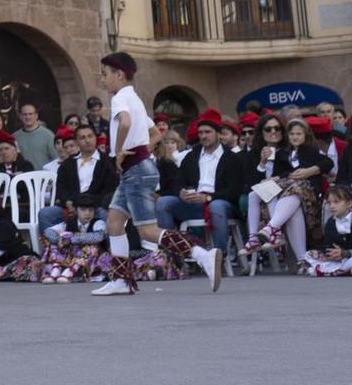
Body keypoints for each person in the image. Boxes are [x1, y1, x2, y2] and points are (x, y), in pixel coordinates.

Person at [89, 53, 220, 296]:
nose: (102, 79)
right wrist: (139, 152)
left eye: (105, 74)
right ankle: (120, 279)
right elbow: (155, 133)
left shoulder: (120, 99)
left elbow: (125, 123)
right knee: (114, 222)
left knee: (147, 230)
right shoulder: (135, 99)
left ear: (119, 74)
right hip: (139, 169)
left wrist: (118, 151)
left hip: (136, 172)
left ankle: (202, 254)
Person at [242, 118, 332, 270]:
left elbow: (328, 163)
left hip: (307, 194)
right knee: (257, 194)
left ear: (305, 135)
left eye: (299, 134)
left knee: (293, 192)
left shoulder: (310, 150)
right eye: (292, 134)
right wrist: (271, 173)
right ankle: (257, 237)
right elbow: (282, 173)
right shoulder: (284, 153)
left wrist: (310, 170)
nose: (295, 137)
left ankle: (272, 228)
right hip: (288, 196)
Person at [156, 112, 242, 265]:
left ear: (218, 134)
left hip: (221, 203)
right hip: (194, 202)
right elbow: (177, 182)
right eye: (201, 132)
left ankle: (218, 258)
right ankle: (173, 256)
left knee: (216, 206)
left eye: (208, 132)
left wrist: (208, 197)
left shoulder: (232, 158)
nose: (203, 136)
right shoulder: (192, 156)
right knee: (163, 203)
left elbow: (234, 190)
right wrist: (181, 192)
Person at [39, 123, 115, 249]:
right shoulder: (68, 163)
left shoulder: (106, 162)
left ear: (95, 138)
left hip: (95, 206)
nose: (87, 140)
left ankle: (104, 253)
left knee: (104, 214)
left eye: (90, 136)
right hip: (71, 206)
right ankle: (55, 251)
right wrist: (68, 202)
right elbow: (61, 187)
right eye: (82, 137)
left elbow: (110, 188)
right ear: (77, 141)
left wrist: (88, 205)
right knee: (45, 213)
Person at [305, 187, 352, 277]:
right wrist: (331, 253)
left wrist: (346, 253)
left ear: (349, 203)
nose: (332, 206)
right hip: (338, 260)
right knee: (310, 254)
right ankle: (346, 269)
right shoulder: (330, 223)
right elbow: (328, 243)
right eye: (329, 203)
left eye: (336, 202)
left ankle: (341, 270)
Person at [13, 101, 58, 169]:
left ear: (36, 115)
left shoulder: (48, 135)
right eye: (25, 114)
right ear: (20, 116)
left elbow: (56, 158)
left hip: (44, 176)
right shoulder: (14, 137)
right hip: (23, 177)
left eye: (30, 114)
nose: (28, 117)